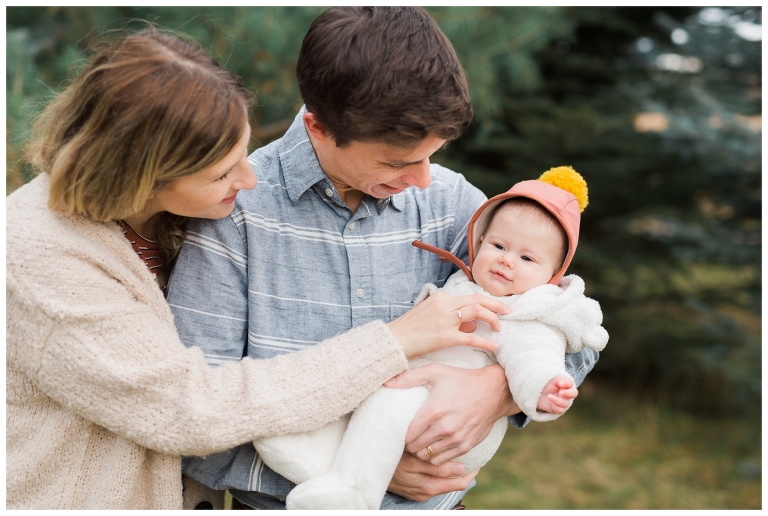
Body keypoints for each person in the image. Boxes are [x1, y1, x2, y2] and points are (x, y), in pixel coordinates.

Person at [5, 27, 512, 510]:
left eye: (242, 152)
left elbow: (552, 306)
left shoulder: (171, 219)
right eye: (223, 171)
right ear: (142, 176)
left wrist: (498, 391)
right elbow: (193, 409)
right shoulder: (40, 258)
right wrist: (362, 450)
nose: (250, 178)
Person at [167, 7, 600, 510]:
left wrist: (496, 391)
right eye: (397, 162)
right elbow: (195, 413)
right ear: (320, 128)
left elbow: (570, 329)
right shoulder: (235, 219)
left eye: (430, 157)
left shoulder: (452, 203)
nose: (422, 180)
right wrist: (363, 465)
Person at [251, 167, 609, 510]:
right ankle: (327, 470)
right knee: (363, 406)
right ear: (479, 240)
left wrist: (536, 388)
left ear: (553, 276)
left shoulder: (525, 313)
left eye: (527, 257)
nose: (507, 261)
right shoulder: (464, 283)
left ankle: (353, 493)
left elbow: (536, 357)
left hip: (447, 423)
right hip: (414, 395)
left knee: (390, 404)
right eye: (499, 246)